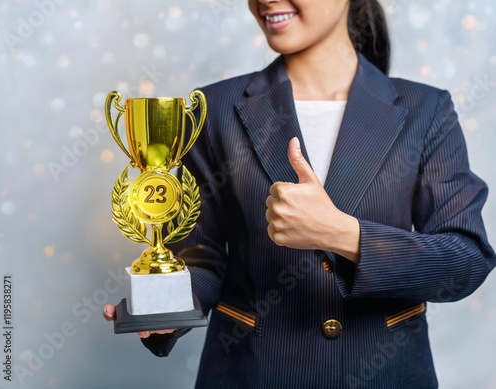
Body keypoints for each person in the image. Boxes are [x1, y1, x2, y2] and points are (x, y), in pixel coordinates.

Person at [104, 0, 496, 387]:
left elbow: (464, 260)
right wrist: (166, 308)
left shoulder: (426, 110)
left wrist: (343, 235)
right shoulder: (214, 109)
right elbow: (200, 259)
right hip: (253, 373)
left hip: (385, 374)